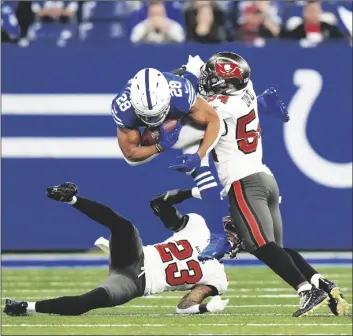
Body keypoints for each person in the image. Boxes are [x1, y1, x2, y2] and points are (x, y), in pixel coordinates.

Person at [193, 51, 349, 317]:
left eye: (213, 77)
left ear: (223, 84)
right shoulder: (246, 90)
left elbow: (189, 112)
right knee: (276, 248)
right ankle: (321, 283)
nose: (208, 79)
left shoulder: (219, 108)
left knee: (260, 245)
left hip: (243, 181)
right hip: (265, 177)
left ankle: (306, 290)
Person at [111, 60, 289, 261]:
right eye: (148, 117)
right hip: (186, 99)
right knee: (148, 153)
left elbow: (214, 120)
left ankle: (219, 235)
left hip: (196, 90)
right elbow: (131, 154)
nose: (155, 121)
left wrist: (199, 155)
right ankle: (264, 102)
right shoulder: (123, 107)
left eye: (159, 114)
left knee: (193, 143)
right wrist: (160, 145)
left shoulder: (180, 92)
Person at [4, 182, 239, 317]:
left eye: (238, 233)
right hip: (135, 254)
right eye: (233, 228)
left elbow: (184, 307)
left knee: (87, 302)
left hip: (136, 284)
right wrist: (193, 192)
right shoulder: (197, 226)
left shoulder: (218, 279)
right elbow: (159, 204)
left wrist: (206, 308)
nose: (232, 234)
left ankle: (25, 307)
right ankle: (72, 200)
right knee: (124, 226)